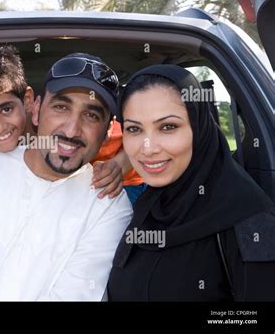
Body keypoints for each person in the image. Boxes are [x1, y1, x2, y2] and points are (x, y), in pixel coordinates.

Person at [0, 53, 133, 300]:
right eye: (61, 107)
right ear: (37, 109)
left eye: (92, 115)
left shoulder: (108, 204)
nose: (72, 130)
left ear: (108, 131)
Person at [107, 64, 275, 301]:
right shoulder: (149, 207)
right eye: (134, 129)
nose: (148, 148)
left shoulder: (251, 223)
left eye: (168, 127)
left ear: (199, 128)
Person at [0, 45, 144, 201]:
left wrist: (119, 164)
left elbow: (143, 137)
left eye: (6, 109)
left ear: (29, 102)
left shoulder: (89, 133)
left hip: (127, 185)